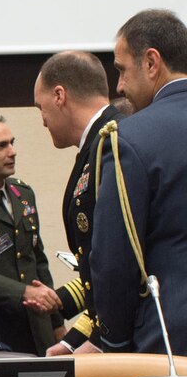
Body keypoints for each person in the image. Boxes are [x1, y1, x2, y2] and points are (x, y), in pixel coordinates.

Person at [92, 9, 187, 355]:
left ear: (151, 62)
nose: (118, 86)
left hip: (170, 343)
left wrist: (114, 342)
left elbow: (113, 261)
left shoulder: (130, 139)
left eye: (121, 69)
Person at [32, 50, 121, 355]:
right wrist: (72, 342)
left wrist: (99, 343)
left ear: (59, 96)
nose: (42, 120)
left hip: (127, 338)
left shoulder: (114, 140)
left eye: (40, 107)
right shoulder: (96, 144)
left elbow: (120, 266)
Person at [0, 115, 66, 354]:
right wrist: (22, 292)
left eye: (11, 143)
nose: (12, 152)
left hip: (37, 326)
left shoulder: (22, 193)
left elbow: (37, 261)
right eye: (1, 146)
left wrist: (57, 322)